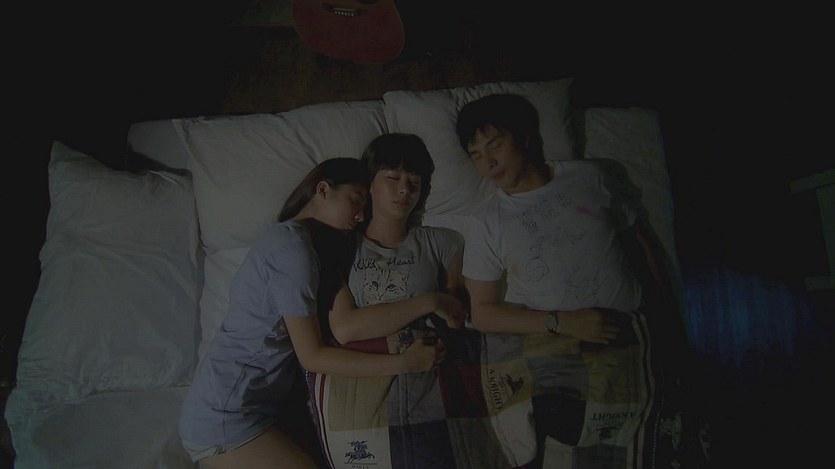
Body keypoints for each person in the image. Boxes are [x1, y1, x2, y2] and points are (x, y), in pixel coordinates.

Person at [455, 94, 696, 467]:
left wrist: (667, 314)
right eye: (475, 155)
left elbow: (641, 247)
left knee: (669, 435)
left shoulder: (591, 177)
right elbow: (483, 313)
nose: (488, 162)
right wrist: (562, 322)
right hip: (557, 342)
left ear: (525, 137)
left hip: (630, 331)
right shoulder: (487, 221)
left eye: (495, 145)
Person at [178, 157, 447, 469]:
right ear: (323, 190)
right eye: (355, 201)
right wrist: (405, 363)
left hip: (252, 408)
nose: (360, 215)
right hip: (225, 416)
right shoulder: (293, 251)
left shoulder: (296, 243)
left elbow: (345, 326)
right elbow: (313, 356)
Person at [328, 133, 467, 348]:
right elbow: (345, 328)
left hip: (428, 357)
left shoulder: (442, 242)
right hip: (365, 360)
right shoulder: (341, 246)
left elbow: (455, 318)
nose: (405, 190)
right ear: (370, 183)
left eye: (414, 182)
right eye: (393, 178)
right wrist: (430, 302)